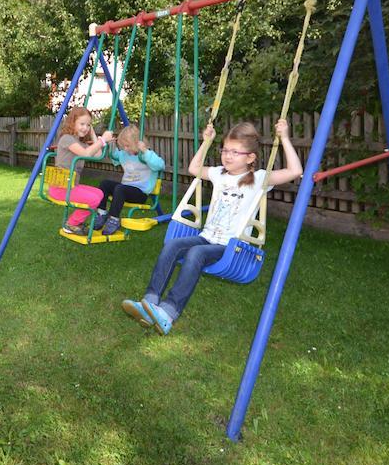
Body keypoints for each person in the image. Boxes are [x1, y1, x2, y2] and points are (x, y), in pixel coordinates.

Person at [122, 119, 303, 334]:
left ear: (251, 157)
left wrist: (284, 138)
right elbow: (194, 168)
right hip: (207, 237)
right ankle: (150, 302)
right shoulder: (219, 174)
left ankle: (168, 312)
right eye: (225, 150)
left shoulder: (259, 178)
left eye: (235, 152)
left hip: (232, 246)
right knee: (172, 245)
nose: (227, 155)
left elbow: (294, 170)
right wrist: (206, 142)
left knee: (196, 253)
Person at [50, 107, 113, 235]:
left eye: (88, 125)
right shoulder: (67, 139)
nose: (85, 128)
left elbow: (98, 155)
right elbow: (85, 153)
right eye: (82, 124)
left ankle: (75, 223)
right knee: (93, 199)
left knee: (99, 194)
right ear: (72, 123)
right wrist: (103, 140)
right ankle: (71, 224)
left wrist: (94, 134)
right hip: (61, 188)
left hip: (71, 186)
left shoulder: (80, 143)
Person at [95, 125, 165, 236]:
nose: (125, 149)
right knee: (105, 184)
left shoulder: (146, 155)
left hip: (140, 193)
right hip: (124, 190)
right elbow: (115, 157)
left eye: (127, 146)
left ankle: (114, 219)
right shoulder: (124, 153)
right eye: (123, 146)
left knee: (120, 188)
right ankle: (102, 213)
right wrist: (112, 144)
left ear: (137, 143)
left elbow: (160, 165)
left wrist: (145, 151)